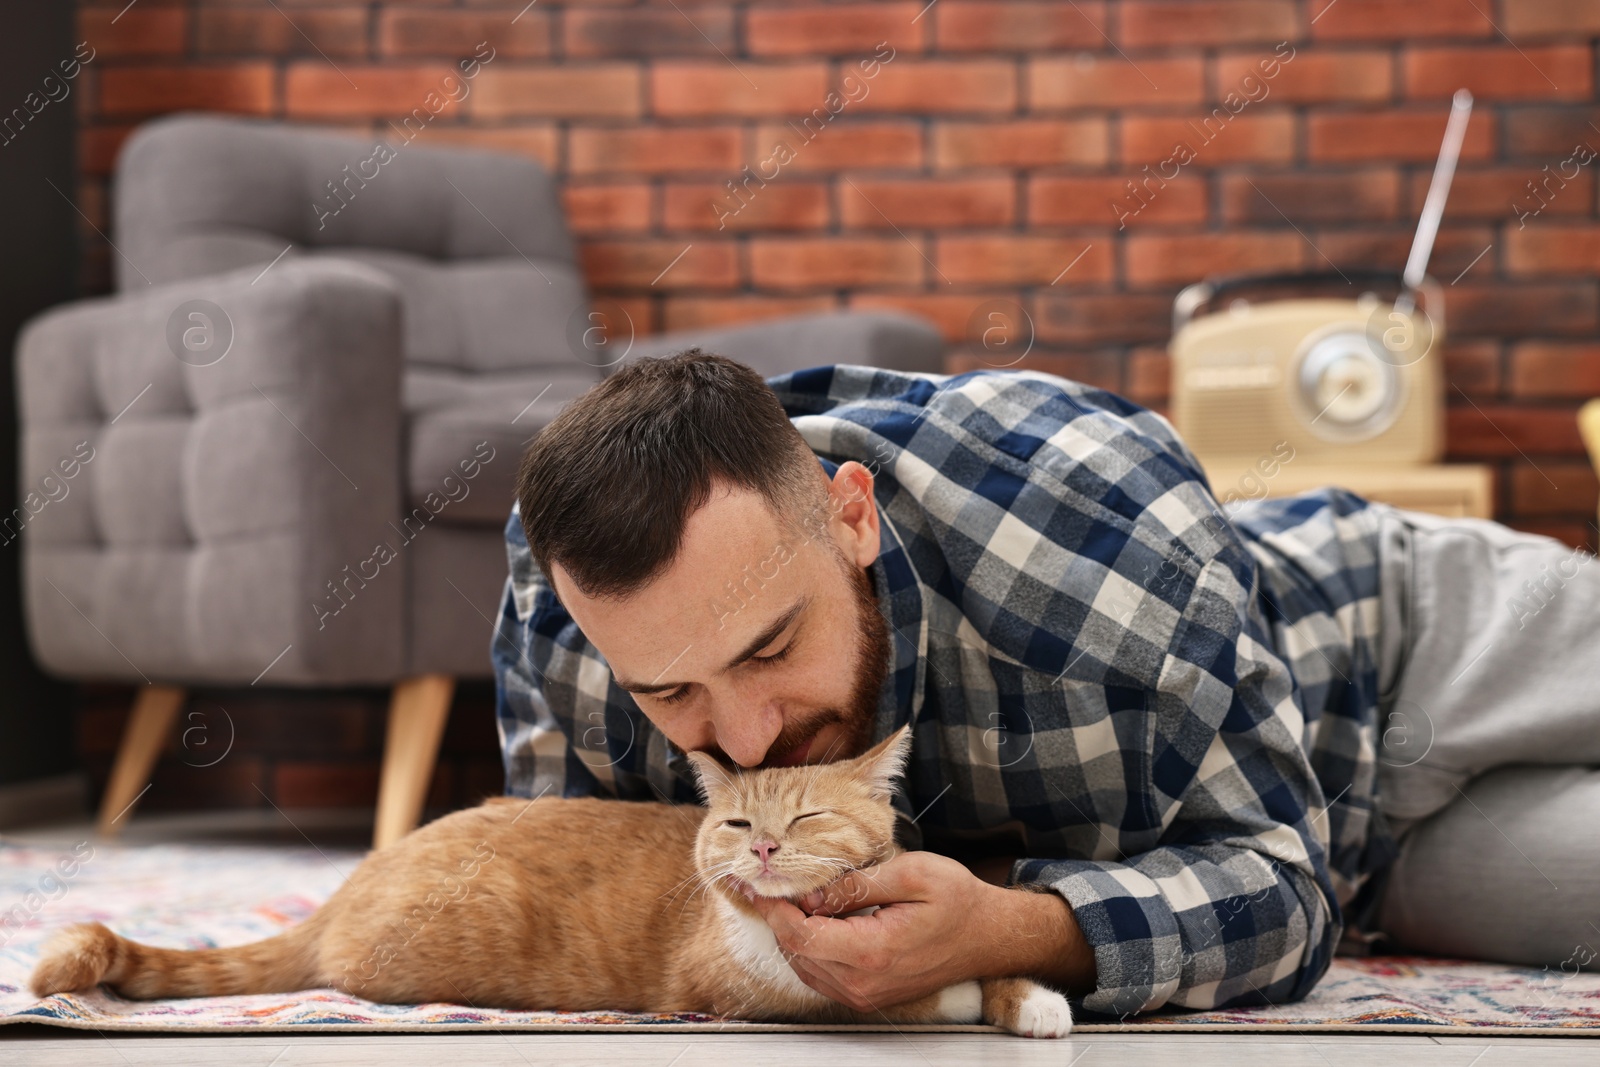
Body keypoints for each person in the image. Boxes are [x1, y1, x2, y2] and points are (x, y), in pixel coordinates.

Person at [491, 350, 1600, 1018]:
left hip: (1412, 635)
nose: (741, 736)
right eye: (669, 692)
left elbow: (1280, 889)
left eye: (772, 647)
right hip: (1371, 858)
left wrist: (1015, 929)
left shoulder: (1095, 538)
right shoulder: (568, 630)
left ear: (850, 514)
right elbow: (1298, 884)